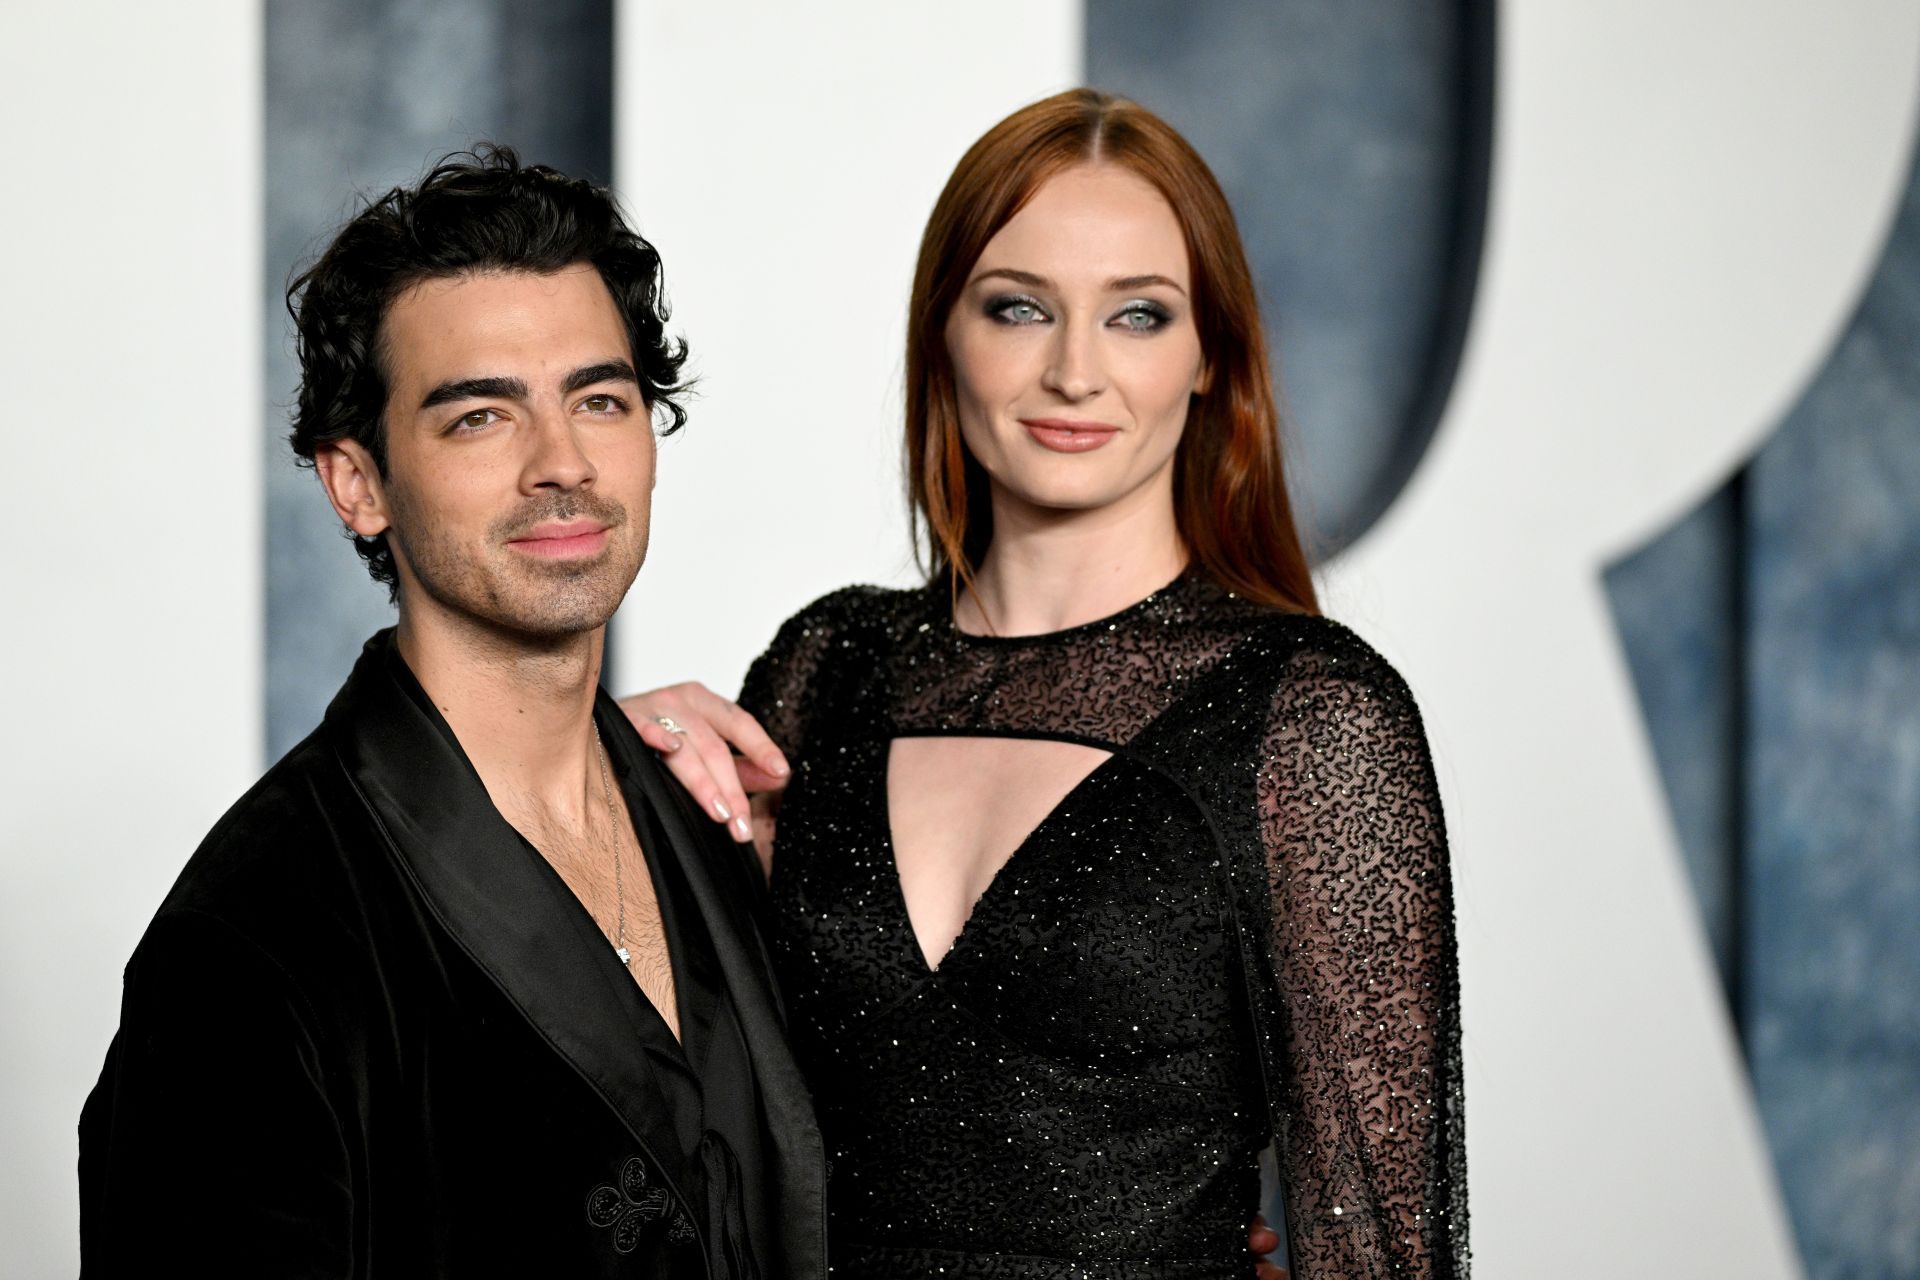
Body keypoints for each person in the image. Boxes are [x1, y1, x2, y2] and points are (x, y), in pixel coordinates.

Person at [623, 89, 1469, 1278]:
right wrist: (598, 782)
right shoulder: (829, 668)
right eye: (1020, 308)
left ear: (1209, 359)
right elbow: (669, 1122)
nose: (1075, 371)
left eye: (1137, 314)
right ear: (944, 336)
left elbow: (1383, 1244)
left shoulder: (1307, 713)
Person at [79, 148, 824, 1278]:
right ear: (358, 482)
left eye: (601, 398)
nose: (561, 461)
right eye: (481, 416)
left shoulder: (705, 826)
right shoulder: (250, 940)